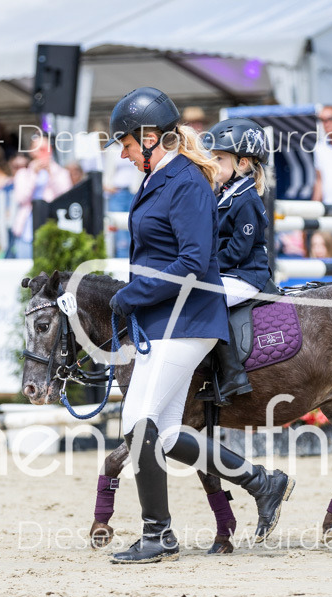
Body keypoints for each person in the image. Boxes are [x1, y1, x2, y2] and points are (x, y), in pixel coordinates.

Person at [104, 86, 293, 564]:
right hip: (166, 318)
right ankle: (259, 480)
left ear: (150, 138)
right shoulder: (161, 178)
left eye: (126, 144)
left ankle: (156, 534)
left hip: (188, 319)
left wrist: (131, 296)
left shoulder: (186, 182)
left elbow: (193, 261)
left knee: (138, 421)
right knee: (163, 433)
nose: (123, 154)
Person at [197, 117, 273, 404]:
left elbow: (238, 252)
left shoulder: (247, 200)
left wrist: (205, 267)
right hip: (230, 272)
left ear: (242, 163)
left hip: (246, 275)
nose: (213, 163)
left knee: (208, 300)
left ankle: (233, 375)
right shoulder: (226, 194)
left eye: (219, 158)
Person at [12, 134, 72, 258]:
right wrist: (33, 174)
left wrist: (51, 173)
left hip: (53, 225)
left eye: (44, 148)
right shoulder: (23, 174)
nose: (40, 152)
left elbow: (66, 197)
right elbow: (21, 198)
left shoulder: (61, 173)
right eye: (36, 148)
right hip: (27, 229)